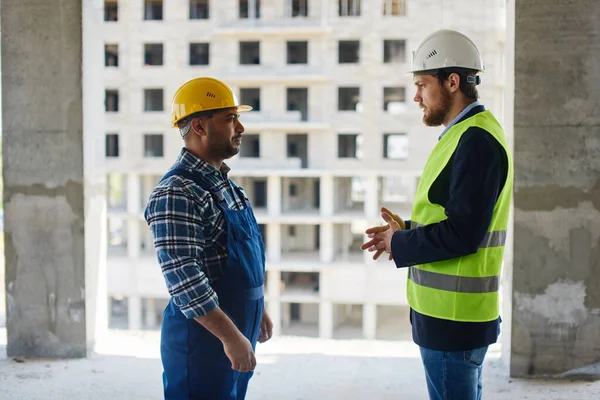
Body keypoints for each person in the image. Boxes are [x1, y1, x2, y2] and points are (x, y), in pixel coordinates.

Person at [361, 29, 514, 400]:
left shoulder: (475, 140)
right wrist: (405, 231)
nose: (415, 96)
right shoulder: (464, 134)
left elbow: (464, 232)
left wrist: (401, 242)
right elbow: (458, 217)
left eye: (421, 84)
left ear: (452, 81)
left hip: (454, 321)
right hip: (450, 319)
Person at [144, 76, 273, 400]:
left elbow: (240, 259)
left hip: (232, 332)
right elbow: (185, 280)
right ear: (199, 127)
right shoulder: (177, 192)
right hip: (202, 343)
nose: (240, 128)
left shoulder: (226, 186)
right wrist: (231, 337)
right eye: (230, 119)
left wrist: (258, 305)